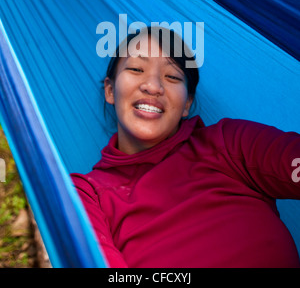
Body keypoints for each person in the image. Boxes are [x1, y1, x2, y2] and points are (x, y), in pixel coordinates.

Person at [71, 26, 300, 268]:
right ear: (110, 90)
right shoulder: (87, 194)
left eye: (172, 77)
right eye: (137, 69)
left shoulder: (232, 143)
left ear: (186, 104)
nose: (153, 86)